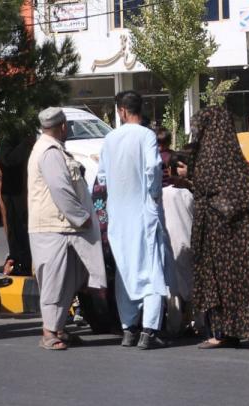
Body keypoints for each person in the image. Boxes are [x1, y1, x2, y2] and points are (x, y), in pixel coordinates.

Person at [182, 106, 249, 347]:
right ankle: (236, 330)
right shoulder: (233, 157)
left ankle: (220, 333)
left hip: (217, 232)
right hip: (239, 233)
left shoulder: (208, 157)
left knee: (216, 282)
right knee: (238, 282)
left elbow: (204, 184)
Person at [27, 107, 106, 350]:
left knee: (70, 278)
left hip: (64, 227)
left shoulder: (53, 149)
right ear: (62, 127)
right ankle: (49, 332)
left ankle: (59, 328)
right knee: (54, 280)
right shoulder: (50, 152)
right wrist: (81, 217)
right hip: (55, 227)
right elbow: (61, 189)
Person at [97, 90, 169, 350]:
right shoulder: (147, 136)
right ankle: (149, 330)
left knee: (126, 271)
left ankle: (129, 329)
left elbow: (102, 177)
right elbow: (152, 168)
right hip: (143, 215)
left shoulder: (110, 138)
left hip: (119, 217)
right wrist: (154, 196)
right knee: (150, 271)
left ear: (122, 111)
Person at [157, 128, 195, 337]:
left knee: (174, 289)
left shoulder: (163, 194)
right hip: (189, 241)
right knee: (190, 284)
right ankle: (195, 323)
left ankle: (176, 325)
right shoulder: (190, 193)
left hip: (171, 244)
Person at [0, 130, 34, 276]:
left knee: (23, 229)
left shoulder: (21, 139)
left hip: (21, 191)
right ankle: (20, 263)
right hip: (13, 192)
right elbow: (8, 159)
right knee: (17, 229)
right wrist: (26, 144)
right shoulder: (8, 140)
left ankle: (25, 262)